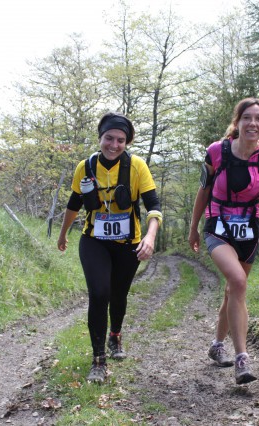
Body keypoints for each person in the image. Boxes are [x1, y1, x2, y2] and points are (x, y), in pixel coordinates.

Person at [58, 111, 162, 383]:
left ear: (127, 142)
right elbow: (74, 203)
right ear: (100, 137)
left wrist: (150, 237)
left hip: (129, 243)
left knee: (118, 295)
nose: (114, 145)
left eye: (120, 140)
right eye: (109, 138)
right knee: (99, 293)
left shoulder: (137, 166)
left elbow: (154, 207)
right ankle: (98, 360)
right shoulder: (86, 166)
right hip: (94, 241)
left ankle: (115, 334)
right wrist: (62, 234)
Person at [188, 97, 259, 385]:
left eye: (258, 119)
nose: (252, 123)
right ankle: (242, 359)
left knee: (233, 290)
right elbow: (202, 193)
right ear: (238, 121)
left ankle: (217, 345)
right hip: (217, 225)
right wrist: (194, 229)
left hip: (249, 230)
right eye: (247, 118)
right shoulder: (216, 152)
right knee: (238, 282)